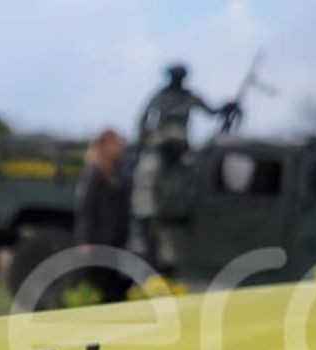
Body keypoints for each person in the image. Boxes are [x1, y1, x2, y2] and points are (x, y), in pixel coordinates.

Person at [133, 63, 225, 273]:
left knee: (199, 180)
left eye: (181, 76)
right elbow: (142, 121)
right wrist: (150, 141)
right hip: (160, 148)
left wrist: (226, 107)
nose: (178, 80)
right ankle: (143, 221)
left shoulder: (190, 97)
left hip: (181, 149)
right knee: (147, 175)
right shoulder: (159, 97)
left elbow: (212, 112)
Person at [74, 129, 133, 304]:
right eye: (115, 144)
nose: (119, 148)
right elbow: (86, 209)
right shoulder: (94, 173)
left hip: (116, 241)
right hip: (98, 241)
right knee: (98, 287)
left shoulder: (118, 171)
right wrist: (84, 240)